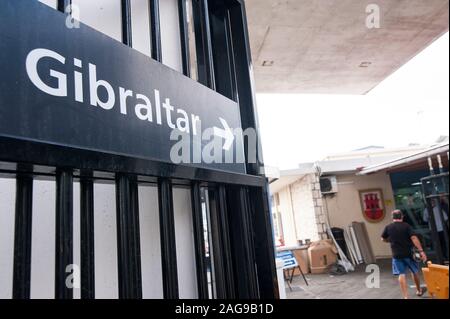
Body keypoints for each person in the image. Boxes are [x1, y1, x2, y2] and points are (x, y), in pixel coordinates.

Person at [381, 210, 427, 299]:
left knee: (401, 274)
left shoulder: (388, 227)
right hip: (409, 254)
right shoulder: (406, 226)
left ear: (392, 217)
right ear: (402, 217)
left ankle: (406, 297)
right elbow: (413, 237)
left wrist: (389, 240)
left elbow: (383, 238)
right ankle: (419, 290)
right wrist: (421, 251)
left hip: (396, 255)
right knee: (414, 271)